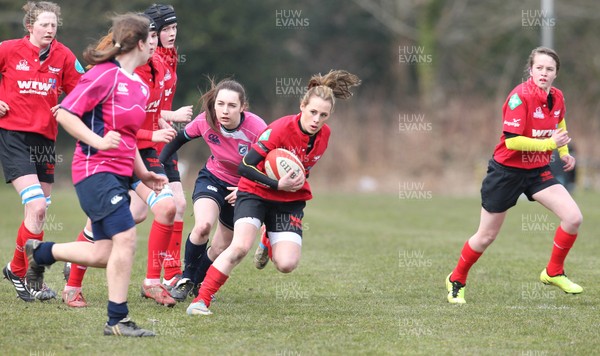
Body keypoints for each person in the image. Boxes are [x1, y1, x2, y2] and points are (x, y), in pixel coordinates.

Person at [24, 13, 165, 337]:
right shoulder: (104, 75)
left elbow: (128, 139)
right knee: (127, 237)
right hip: (93, 170)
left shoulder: (140, 86)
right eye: (152, 39)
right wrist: (98, 141)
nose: (154, 45)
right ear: (141, 43)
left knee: (103, 253)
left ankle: (42, 252)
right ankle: (117, 320)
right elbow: (66, 114)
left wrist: (143, 174)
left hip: (119, 175)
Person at [186, 70, 361, 315]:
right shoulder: (279, 129)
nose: (316, 119)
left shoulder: (325, 136)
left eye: (323, 115)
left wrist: (287, 186)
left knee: (287, 264)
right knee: (239, 248)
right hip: (255, 193)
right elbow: (244, 165)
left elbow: (302, 171)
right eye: (312, 112)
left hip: (288, 201)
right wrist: (276, 184)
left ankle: (267, 237)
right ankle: (201, 300)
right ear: (302, 106)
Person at [61, 14, 192, 308]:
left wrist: (159, 131)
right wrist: (151, 133)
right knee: (106, 227)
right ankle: (71, 280)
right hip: (112, 155)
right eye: (158, 33)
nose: (164, 38)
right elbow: (112, 123)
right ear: (142, 41)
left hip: (140, 152)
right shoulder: (120, 71)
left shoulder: (160, 65)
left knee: (167, 207)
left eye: (172, 30)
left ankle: (152, 282)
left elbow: (141, 119)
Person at [445, 47, 583, 304]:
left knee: (573, 218)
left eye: (549, 69)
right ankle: (457, 279)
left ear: (556, 74)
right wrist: (549, 145)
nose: (544, 73)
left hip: (537, 172)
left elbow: (559, 124)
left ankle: (553, 272)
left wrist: (563, 151)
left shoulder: (558, 97)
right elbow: (512, 142)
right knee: (486, 236)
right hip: (506, 173)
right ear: (530, 70)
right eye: (539, 68)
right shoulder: (519, 97)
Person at [0, 1, 84, 302]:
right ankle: (25, 274)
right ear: (30, 26)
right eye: (44, 25)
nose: (50, 29)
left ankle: (18, 270)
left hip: (45, 141)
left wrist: (71, 105)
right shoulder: (8, 50)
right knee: (36, 206)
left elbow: (83, 90)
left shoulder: (64, 56)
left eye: (54, 25)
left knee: (39, 211)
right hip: (13, 137)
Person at [158, 78, 267, 302]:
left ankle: (198, 283)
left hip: (243, 188)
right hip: (213, 178)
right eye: (220, 104)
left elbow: (269, 166)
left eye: (231, 105)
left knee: (219, 247)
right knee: (202, 227)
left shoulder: (257, 129)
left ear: (242, 107)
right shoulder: (205, 121)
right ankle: (185, 280)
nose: (224, 111)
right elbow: (176, 140)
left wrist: (246, 188)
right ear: (214, 104)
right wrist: (157, 168)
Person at [144, 4, 190, 290]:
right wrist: (172, 116)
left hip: (164, 137)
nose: (172, 34)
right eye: (166, 30)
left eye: (174, 28)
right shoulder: (148, 59)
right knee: (134, 213)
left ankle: (172, 272)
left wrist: (168, 120)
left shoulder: (170, 55)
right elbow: (146, 107)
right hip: (147, 139)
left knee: (179, 204)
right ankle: (78, 257)